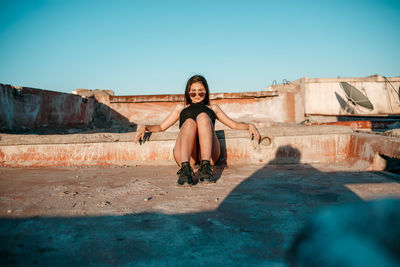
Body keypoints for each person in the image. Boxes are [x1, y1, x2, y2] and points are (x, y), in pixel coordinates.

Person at [134, 75, 260, 185]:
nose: (197, 95)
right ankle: (185, 170)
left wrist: (249, 125)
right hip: (188, 157)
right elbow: (161, 127)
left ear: (206, 92)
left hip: (210, 155)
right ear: (188, 93)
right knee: (189, 122)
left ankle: (205, 168)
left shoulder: (213, 108)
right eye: (193, 92)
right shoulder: (181, 108)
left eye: (201, 91)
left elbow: (234, 125)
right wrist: (145, 126)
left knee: (203, 117)